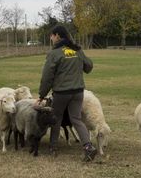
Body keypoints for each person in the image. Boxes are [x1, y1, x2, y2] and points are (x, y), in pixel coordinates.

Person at [37, 25, 97, 162]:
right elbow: (89, 66)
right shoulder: (77, 50)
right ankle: (88, 147)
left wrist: (41, 95)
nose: (51, 38)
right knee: (76, 119)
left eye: (51, 36)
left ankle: (53, 148)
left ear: (57, 35)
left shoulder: (54, 53)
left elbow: (47, 77)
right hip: (78, 92)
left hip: (61, 93)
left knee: (56, 119)